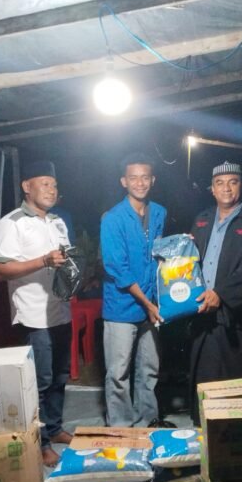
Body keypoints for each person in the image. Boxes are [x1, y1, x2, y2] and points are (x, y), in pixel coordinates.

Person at [0, 160, 72, 467]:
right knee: (40, 380)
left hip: (60, 310)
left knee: (60, 375)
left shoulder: (57, 222)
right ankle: (41, 443)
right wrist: (43, 261)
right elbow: (0, 270)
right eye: (45, 183)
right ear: (27, 186)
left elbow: (65, 262)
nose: (52, 190)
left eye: (55, 185)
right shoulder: (11, 223)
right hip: (33, 315)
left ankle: (55, 427)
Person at [189, 161, 242, 423]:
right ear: (212, 189)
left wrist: (221, 294)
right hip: (202, 310)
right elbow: (189, 262)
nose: (226, 188)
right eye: (220, 183)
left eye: (233, 182)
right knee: (205, 375)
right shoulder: (201, 220)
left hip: (237, 314)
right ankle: (203, 427)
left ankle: (237, 432)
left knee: (237, 379)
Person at [101, 152, 166, 427]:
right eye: (133, 178)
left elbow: (159, 254)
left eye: (145, 177)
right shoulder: (113, 218)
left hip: (152, 302)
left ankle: (147, 423)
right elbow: (119, 269)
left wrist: (179, 246)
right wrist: (149, 305)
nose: (140, 183)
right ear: (123, 181)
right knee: (118, 372)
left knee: (149, 369)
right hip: (122, 306)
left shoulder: (159, 212)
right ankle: (121, 428)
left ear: (153, 180)